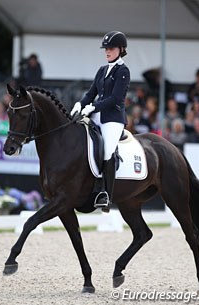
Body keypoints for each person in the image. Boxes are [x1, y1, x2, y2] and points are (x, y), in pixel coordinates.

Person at [70, 31, 130, 209]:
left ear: (120, 49)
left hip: (113, 118)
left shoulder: (123, 71)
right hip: (96, 115)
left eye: (110, 48)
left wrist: (94, 107)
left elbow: (116, 98)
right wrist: (80, 105)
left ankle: (106, 194)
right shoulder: (102, 70)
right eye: (106, 49)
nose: (107, 52)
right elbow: (91, 94)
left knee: (107, 151)